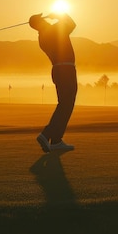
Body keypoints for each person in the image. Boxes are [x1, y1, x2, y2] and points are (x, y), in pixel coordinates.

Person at [29, 12, 77, 153]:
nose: (46, 20)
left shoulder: (42, 37)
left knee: (64, 104)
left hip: (57, 69)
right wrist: (59, 15)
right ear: (40, 23)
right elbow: (72, 24)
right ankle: (47, 134)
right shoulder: (53, 30)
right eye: (42, 19)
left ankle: (56, 141)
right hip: (66, 69)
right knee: (67, 104)